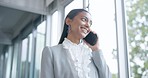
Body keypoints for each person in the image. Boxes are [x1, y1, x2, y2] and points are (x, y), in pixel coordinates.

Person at [40, 8, 112, 78]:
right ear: (68, 21)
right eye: (84, 19)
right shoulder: (51, 52)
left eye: (90, 23)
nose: (88, 26)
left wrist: (96, 49)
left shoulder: (92, 55)